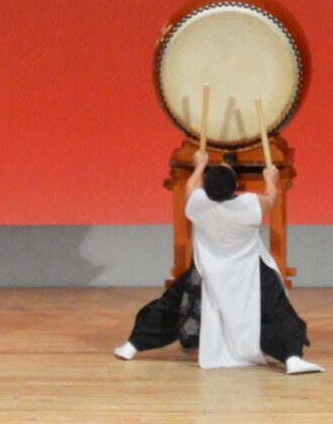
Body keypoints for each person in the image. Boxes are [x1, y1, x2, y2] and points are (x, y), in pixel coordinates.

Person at [114, 149, 321, 374]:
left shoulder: (197, 203)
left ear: (207, 188)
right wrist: (270, 179)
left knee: (171, 305)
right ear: (235, 187)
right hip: (248, 270)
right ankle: (292, 358)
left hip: (207, 271)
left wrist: (199, 166)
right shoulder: (249, 204)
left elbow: (190, 187)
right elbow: (271, 199)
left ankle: (131, 346)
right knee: (276, 309)